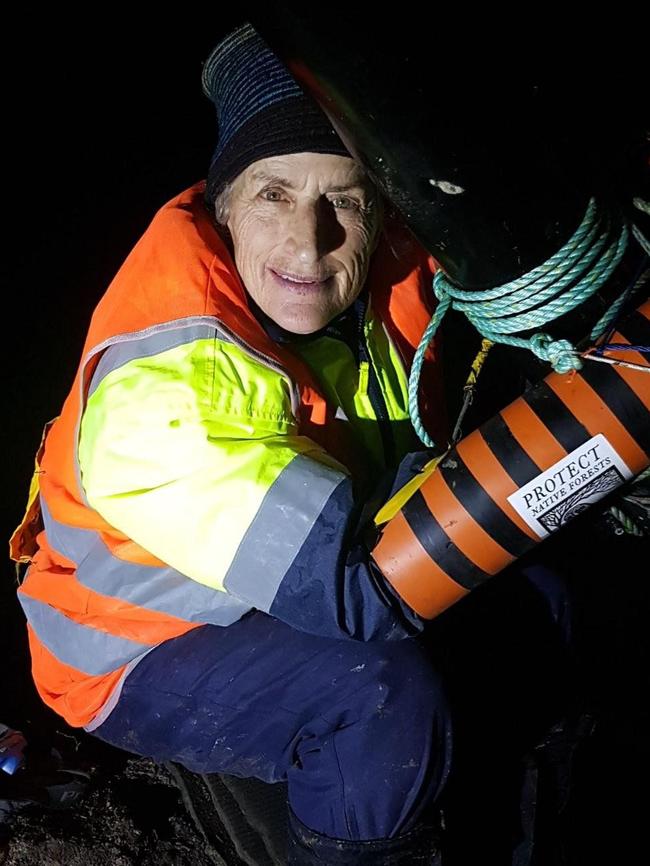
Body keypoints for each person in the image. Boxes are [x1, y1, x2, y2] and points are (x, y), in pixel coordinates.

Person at [12, 23, 454, 865]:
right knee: (378, 694)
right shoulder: (163, 389)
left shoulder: (361, 291)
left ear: (380, 215)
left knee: (540, 603)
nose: (309, 240)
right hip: (129, 643)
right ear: (223, 207)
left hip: (267, 574)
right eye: (274, 195)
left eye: (345, 201)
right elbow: (354, 595)